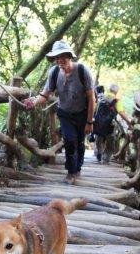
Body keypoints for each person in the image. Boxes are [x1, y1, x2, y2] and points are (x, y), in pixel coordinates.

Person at [23, 40, 95, 185]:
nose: (60, 60)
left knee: (80, 142)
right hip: (65, 113)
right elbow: (44, 95)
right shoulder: (54, 72)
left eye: (63, 56)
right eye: (57, 57)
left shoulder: (82, 70)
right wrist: (33, 102)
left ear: (70, 56)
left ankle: (77, 167)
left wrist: (89, 122)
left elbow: (91, 98)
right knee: (70, 140)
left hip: (82, 113)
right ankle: (71, 172)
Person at [94, 84, 133, 165]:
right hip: (110, 125)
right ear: (116, 92)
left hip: (99, 123)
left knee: (99, 138)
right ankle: (105, 159)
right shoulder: (117, 100)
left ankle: (99, 153)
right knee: (110, 143)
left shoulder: (101, 99)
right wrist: (128, 122)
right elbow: (121, 113)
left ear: (109, 90)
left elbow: (95, 110)